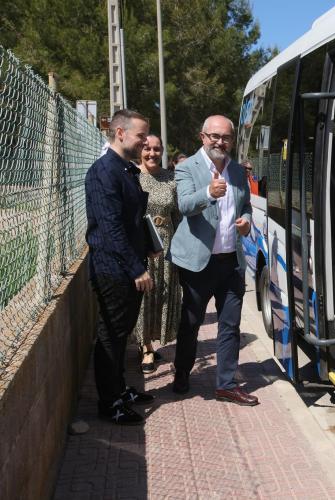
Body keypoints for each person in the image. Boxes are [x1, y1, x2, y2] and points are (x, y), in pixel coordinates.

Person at [168, 115, 259, 406]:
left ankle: (226, 385)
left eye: (226, 137)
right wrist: (208, 192)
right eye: (214, 136)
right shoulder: (187, 168)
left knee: (230, 325)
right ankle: (182, 372)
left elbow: (246, 205)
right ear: (203, 137)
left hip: (231, 262)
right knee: (191, 321)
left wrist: (246, 221)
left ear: (232, 140)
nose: (220, 142)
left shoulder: (237, 171)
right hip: (198, 263)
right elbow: (184, 205)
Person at [84, 109, 157, 425]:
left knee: (121, 334)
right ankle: (110, 403)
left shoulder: (125, 169)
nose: (145, 141)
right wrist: (135, 269)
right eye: (141, 135)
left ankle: (120, 390)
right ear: (120, 133)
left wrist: (148, 246)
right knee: (111, 336)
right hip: (113, 270)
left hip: (127, 266)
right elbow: (111, 228)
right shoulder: (104, 172)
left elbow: (133, 219)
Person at [133, 135, 182, 374]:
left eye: (156, 149)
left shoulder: (172, 179)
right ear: (139, 150)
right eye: (147, 148)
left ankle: (152, 339)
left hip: (166, 246)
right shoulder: (132, 177)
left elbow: (178, 217)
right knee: (144, 297)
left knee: (162, 294)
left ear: (162, 151)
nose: (152, 153)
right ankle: (145, 348)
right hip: (142, 245)